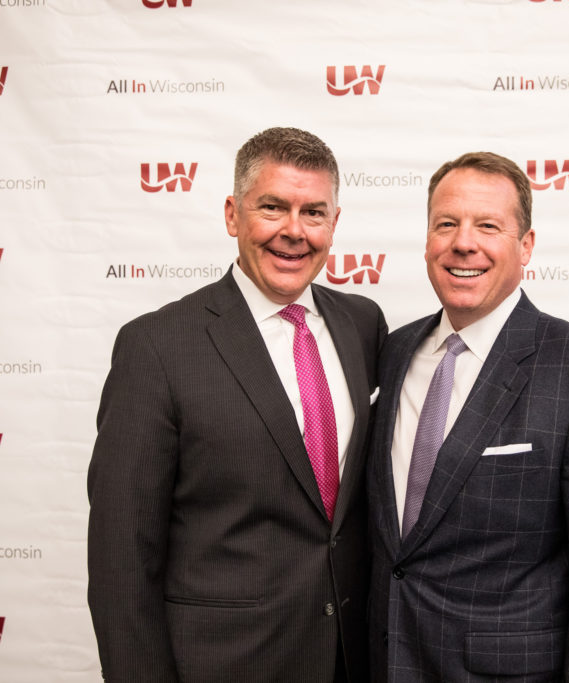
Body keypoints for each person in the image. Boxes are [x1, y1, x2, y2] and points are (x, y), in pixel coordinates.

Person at [88, 127, 386, 683]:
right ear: (232, 214)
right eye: (272, 207)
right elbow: (122, 558)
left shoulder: (363, 324)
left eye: (313, 213)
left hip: (349, 657)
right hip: (225, 664)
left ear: (334, 224)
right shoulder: (157, 346)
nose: (293, 232)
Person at [367, 152, 569, 682]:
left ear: (525, 245)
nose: (464, 242)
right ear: (428, 239)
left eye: (488, 225)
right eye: (446, 224)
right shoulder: (393, 352)